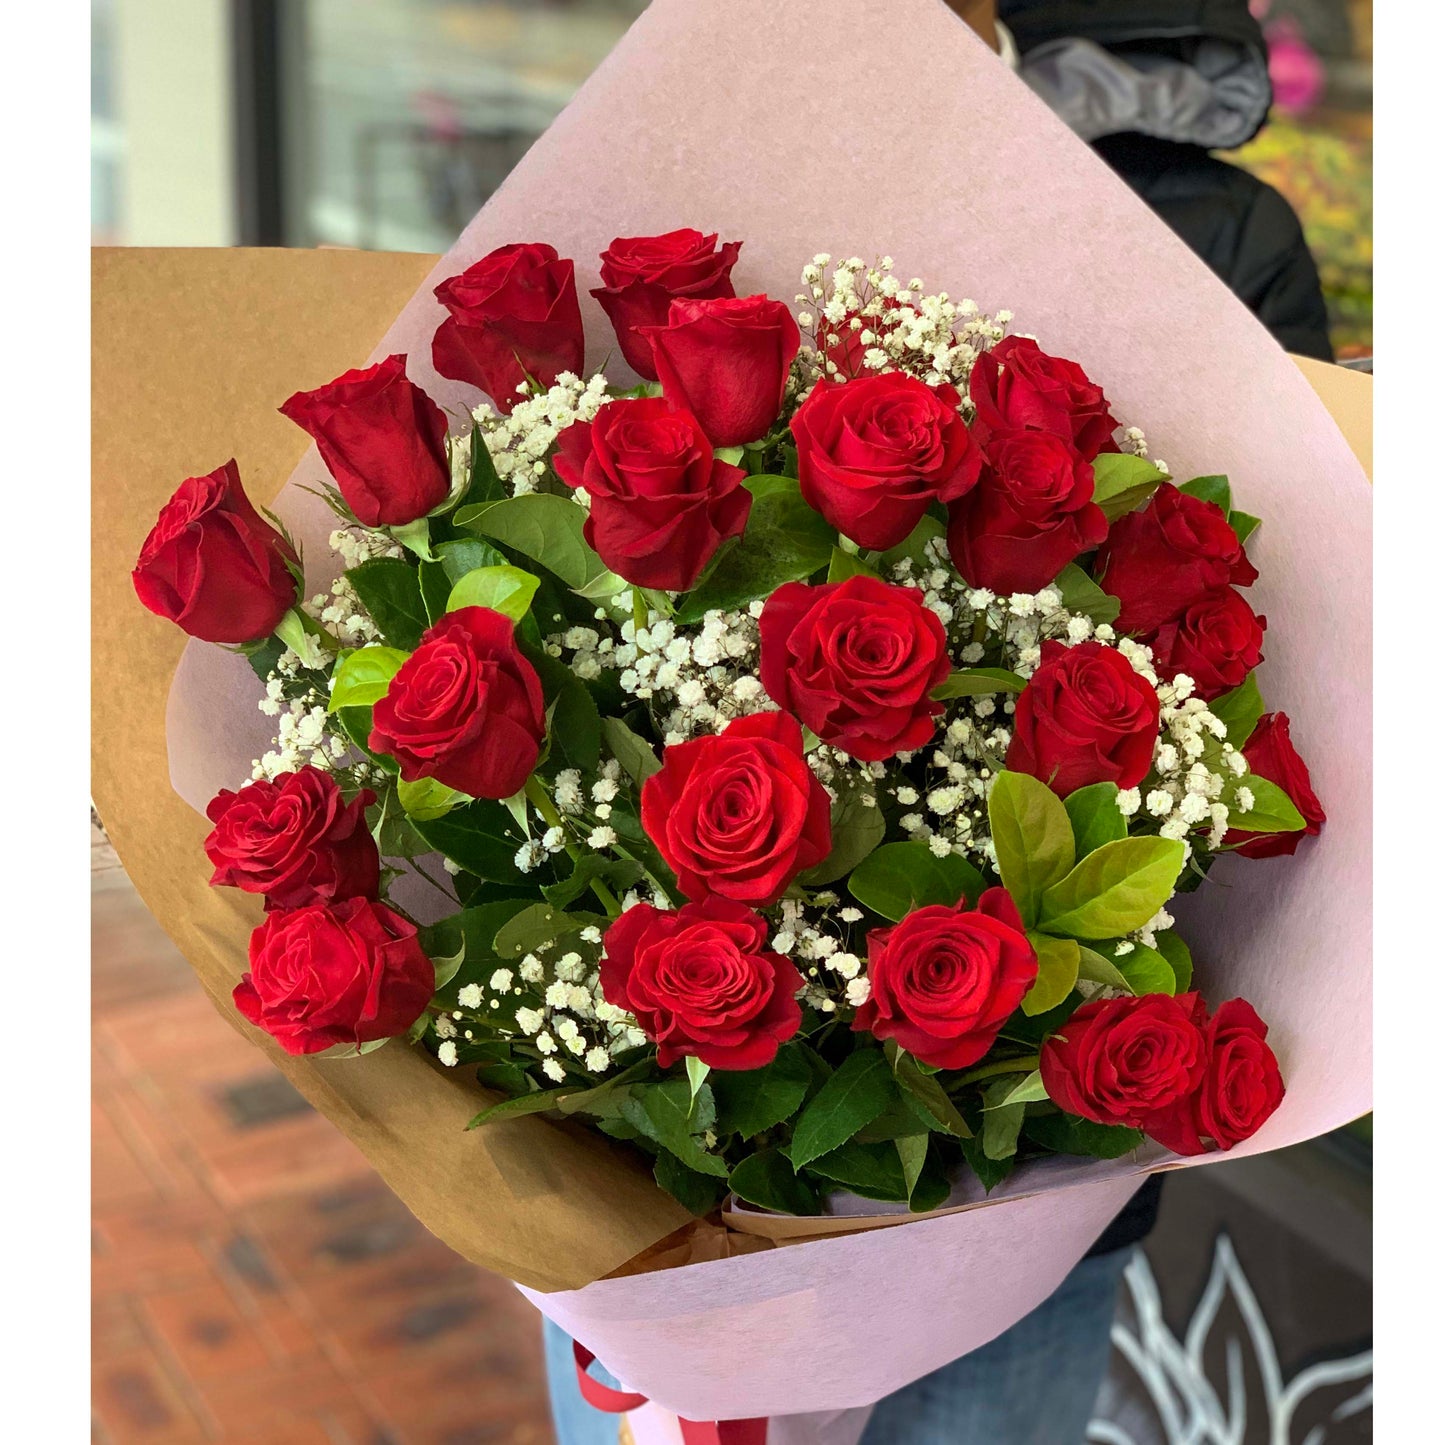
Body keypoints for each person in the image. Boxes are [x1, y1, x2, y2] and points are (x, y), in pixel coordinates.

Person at [543, 4, 1334, 1440]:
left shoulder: (1205, 223)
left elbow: (1298, 657)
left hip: (1025, 1200)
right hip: (644, 1209)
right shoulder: (704, 141)